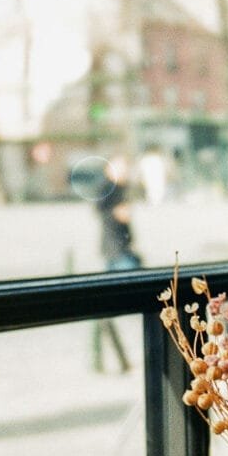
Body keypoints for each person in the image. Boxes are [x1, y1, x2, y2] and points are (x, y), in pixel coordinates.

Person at [92, 155, 140, 372]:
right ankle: (115, 357)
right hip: (117, 252)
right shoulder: (108, 188)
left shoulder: (119, 188)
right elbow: (101, 209)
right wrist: (117, 214)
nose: (125, 172)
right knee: (139, 298)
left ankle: (115, 358)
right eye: (120, 168)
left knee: (109, 307)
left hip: (121, 250)